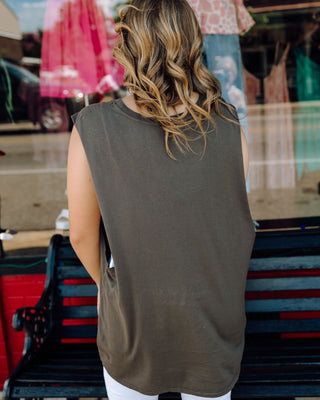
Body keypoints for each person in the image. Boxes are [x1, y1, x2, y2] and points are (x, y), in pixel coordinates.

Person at [67, 1, 255, 399]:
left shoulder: (93, 126)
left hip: (134, 324)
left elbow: (82, 236)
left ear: (128, 49)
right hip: (213, 322)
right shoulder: (227, 123)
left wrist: (112, 290)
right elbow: (225, 219)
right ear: (192, 44)